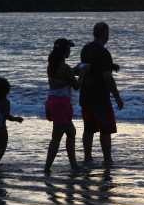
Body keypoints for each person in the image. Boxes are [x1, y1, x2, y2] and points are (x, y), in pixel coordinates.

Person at [79, 21, 123, 163]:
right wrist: (117, 97)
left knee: (89, 127)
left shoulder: (86, 49)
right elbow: (107, 77)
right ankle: (107, 159)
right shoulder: (104, 52)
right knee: (105, 128)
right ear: (106, 34)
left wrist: (110, 65)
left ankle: (87, 158)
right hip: (100, 96)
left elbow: (89, 66)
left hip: (86, 93)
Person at [44, 38, 84, 174]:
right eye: (69, 49)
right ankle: (47, 168)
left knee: (71, 133)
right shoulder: (64, 67)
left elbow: (61, 79)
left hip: (52, 102)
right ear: (64, 50)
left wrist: (72, 72)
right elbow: (77, 86)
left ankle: (74, 165)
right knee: (56, 138)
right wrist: (83, 73)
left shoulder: (51, 66)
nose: (70, 51)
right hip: (61, 105)